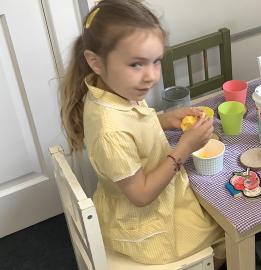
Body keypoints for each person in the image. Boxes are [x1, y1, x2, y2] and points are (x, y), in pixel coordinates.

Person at [58, 0, 225, 268]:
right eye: (136, 64)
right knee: (228, 228)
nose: (152, 77)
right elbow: (141, 195)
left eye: (156, 62)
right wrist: (184, 148)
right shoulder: (109, 129)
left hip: (140, 201)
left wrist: (164, 120)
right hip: (148, 225)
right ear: (95, 62)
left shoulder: (117, 92)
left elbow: (133, 127)